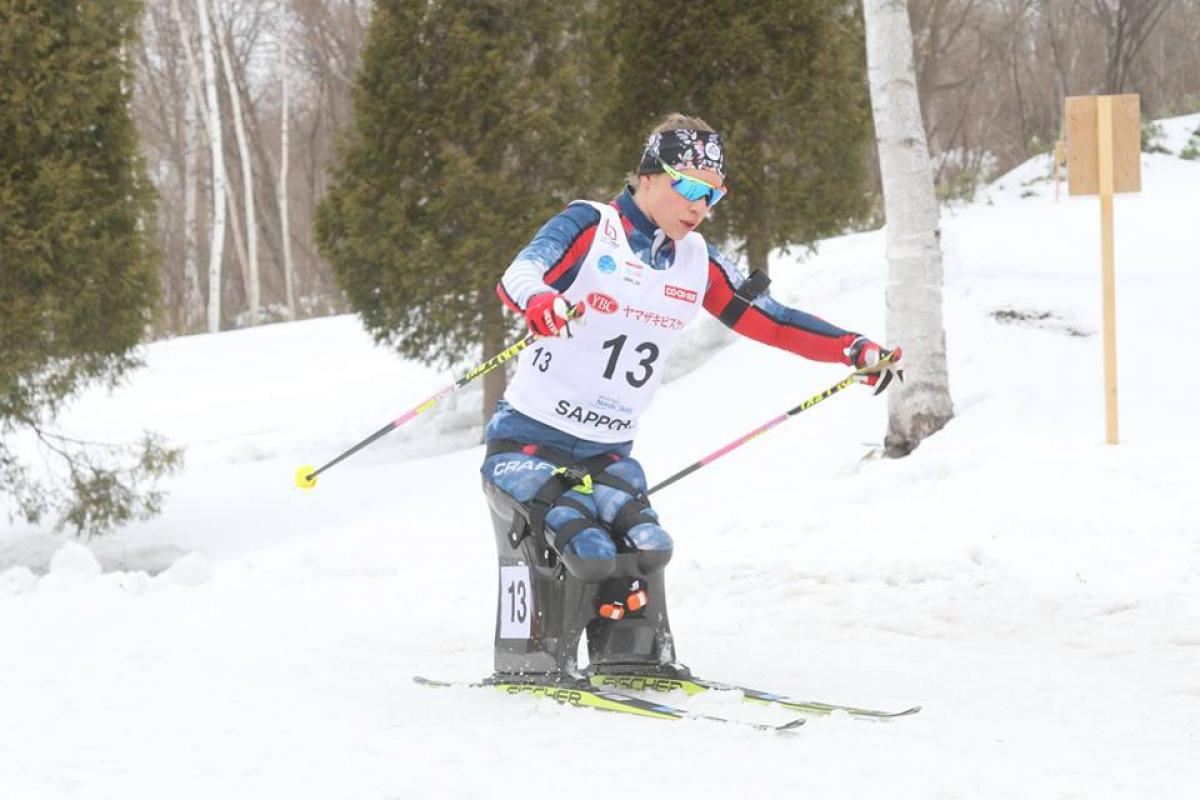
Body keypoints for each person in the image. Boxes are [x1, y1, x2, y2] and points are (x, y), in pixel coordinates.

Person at [480, 113, 901, 677]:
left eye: (714, 195)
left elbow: (770, 321)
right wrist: (540, 303)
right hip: (529, 442)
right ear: (650, 175)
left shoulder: (695, 259)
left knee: (647, 543)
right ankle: (532, 659)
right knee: (586, 548)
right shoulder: (591, 225)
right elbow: (520, 274)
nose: (701, 207)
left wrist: (851, 348)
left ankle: (631, 658)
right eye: (692, 188)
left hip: (608, 452)